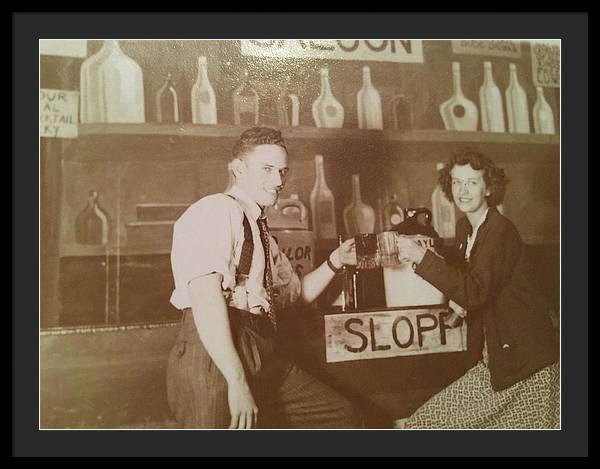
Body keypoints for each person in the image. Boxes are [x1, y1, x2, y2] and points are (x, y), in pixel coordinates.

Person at [166, 126, 361, 429]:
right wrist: (237, 380)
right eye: (267, 169)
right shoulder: (216, 209)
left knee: (341, 416)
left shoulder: (261, 232)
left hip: (258, 347)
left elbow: (293, 296)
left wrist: (336, 262)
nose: (278, 181)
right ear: (238, 169)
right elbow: (205, 296)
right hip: (215, 352)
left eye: (282, 171)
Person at [394, 147, 559, 429]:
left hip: (528, 365)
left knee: (423, 425)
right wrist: (459, 306)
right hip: (499, 360)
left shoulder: (500, 230)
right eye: (456, 182)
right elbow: (481, 285)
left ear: (488, 188)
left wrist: (422, 257)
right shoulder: (466, 229)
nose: (463, 190)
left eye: (472, 182)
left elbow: (476, 291)